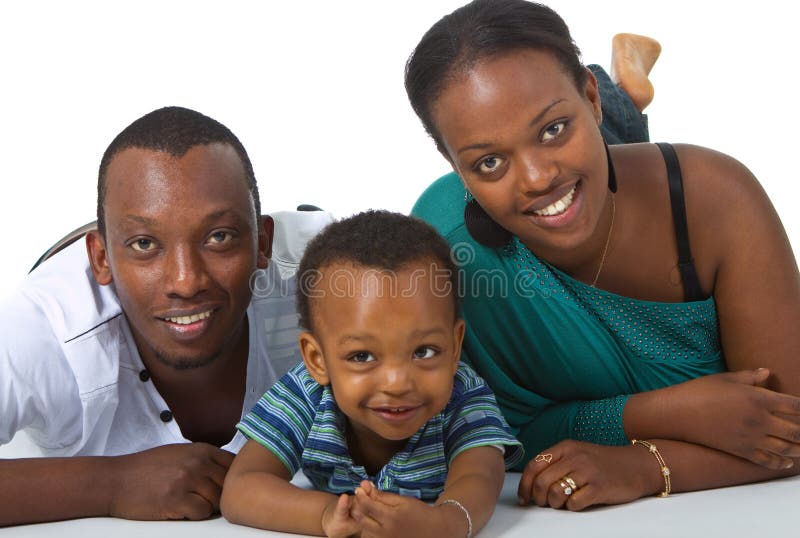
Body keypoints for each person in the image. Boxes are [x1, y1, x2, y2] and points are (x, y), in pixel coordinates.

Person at [407, 0, 800, 511]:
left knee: (597, 158)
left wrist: (644, 467)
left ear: (589, 96)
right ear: (452, 164)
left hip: (626, 173)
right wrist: (658, 414)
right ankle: (617, 101)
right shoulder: (447, 250)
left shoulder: (718, 199)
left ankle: (622, 93)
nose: (534, 176)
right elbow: (492, 431)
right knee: (575, 181)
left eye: (553, 128)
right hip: (579, 184)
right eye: (488, 161)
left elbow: (790, 428)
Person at [0, 106, 332, 525]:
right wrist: (111, 484)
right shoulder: (44, 327)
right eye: (144, 244)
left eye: (219, 237)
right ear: (101, 258)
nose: (186, 280)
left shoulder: (329, 275)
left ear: (262, 242)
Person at [221, 210, 523, 537]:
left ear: (454, 346)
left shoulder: (463, 396)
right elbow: (241, 487)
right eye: (362, 356)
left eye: (424, 352)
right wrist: (326, 515)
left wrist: (444, 524)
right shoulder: (306, 394)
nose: (397, 383)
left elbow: (481, 477)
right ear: (316, 359)